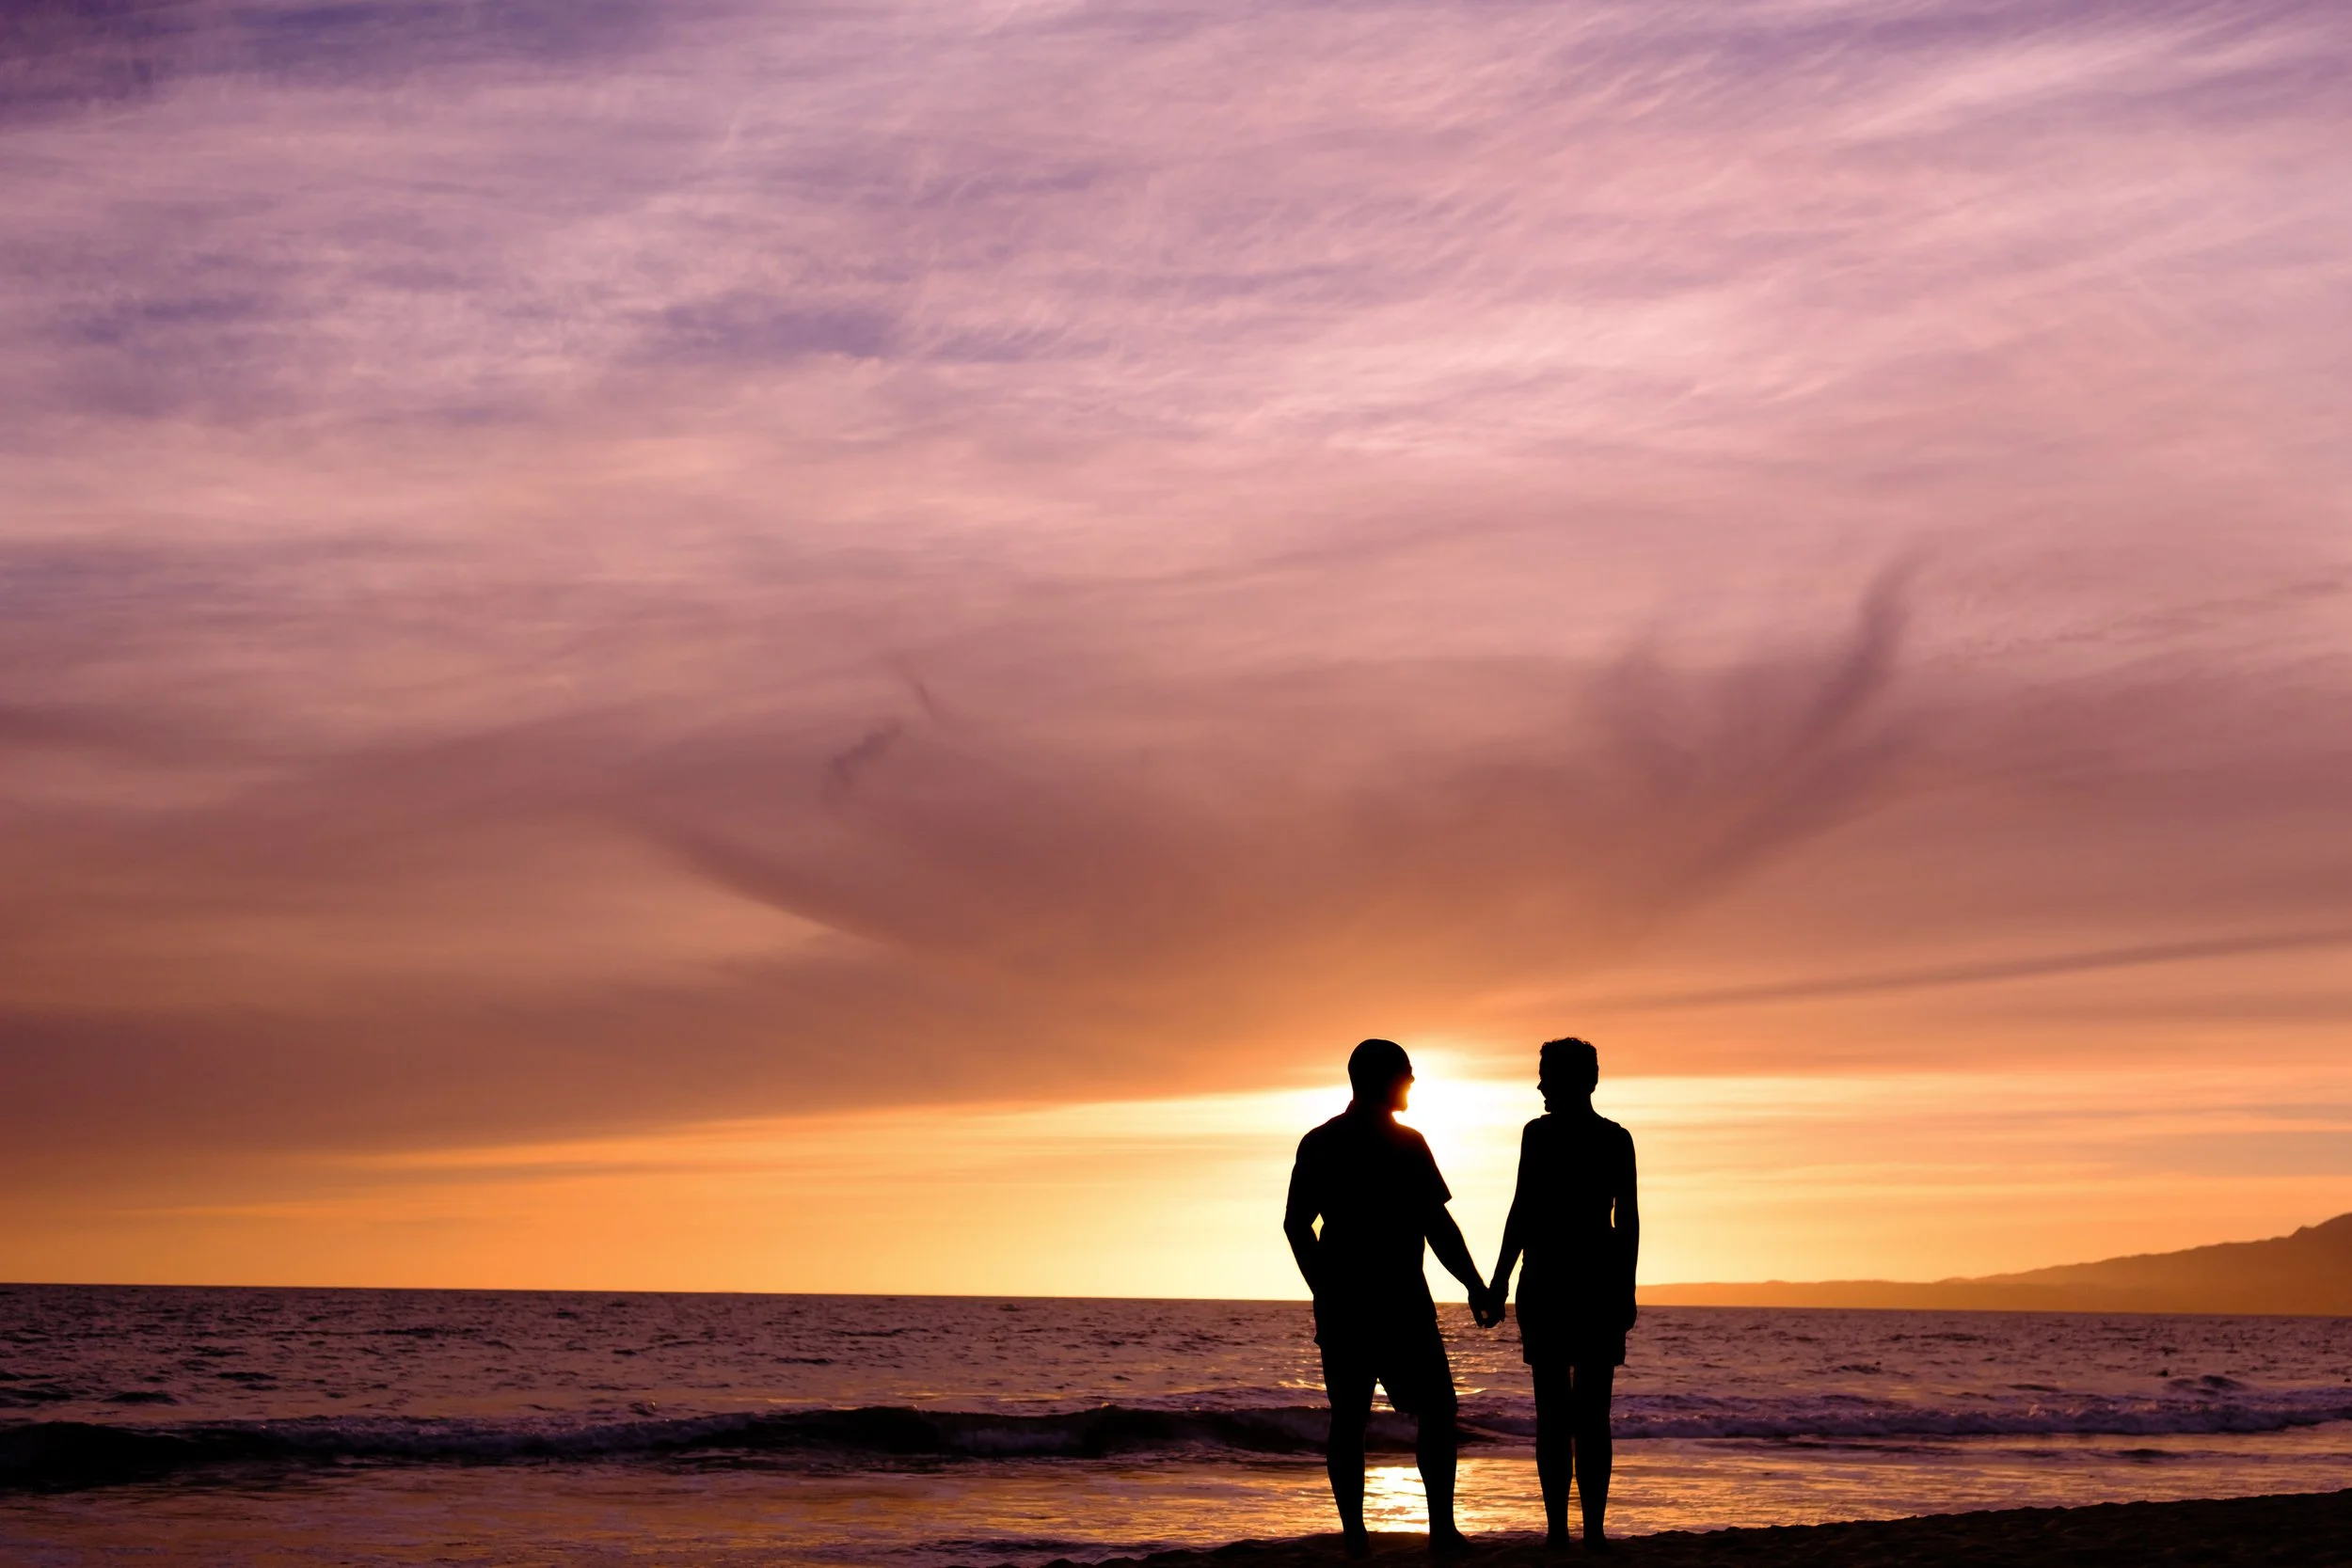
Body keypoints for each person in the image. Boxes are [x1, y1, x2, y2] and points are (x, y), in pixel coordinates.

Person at [1285, 1038, 1494, 1557]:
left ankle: (1360, 1537)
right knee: (1432, 1411)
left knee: (1351, 1416)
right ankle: (1438, 1532)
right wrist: (1473, 1284)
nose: (1414, 1083)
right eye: (1406, 1074)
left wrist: (1324, 1289)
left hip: (1360, 1305)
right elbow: (1438, 1226)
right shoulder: (1405, 1144)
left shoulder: (1322, 1142)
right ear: (1380, 1079)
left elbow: (1297, 1227)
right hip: (1400, 1304)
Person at [1486, 1037, 1639, 1552]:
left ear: (1579, 1080)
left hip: (1571, 1285)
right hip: (1566, 1285)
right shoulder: (1566, 1136)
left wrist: (1626, 1286)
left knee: (1571, 1413)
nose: (1539, 1084)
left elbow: (1626, 1220)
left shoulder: (1605, 1139)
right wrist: (1502, 1277)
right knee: (1574, 1413)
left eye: (1547, 1074)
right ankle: (1571, 1531)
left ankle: (1579, 1531)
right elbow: (1523, 1210)